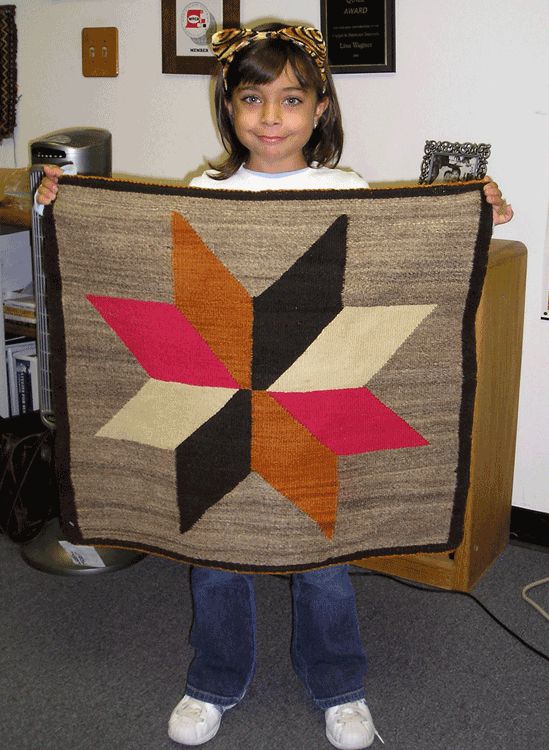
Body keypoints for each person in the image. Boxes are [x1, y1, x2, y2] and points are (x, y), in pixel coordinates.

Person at [35, 22, 514, 750]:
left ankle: (339, 687)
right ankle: (212, 682)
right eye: (252, 98)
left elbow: (398, 269)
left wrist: (472, 217)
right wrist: (58, 206)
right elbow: (135, 266)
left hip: (310, 413)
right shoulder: (206, 193)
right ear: (228, 106)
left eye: (290, 100)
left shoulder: (343, 192)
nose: (270, 117)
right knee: (213, 556)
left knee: (324, 562)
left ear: (320, 108)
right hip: (211, 408)